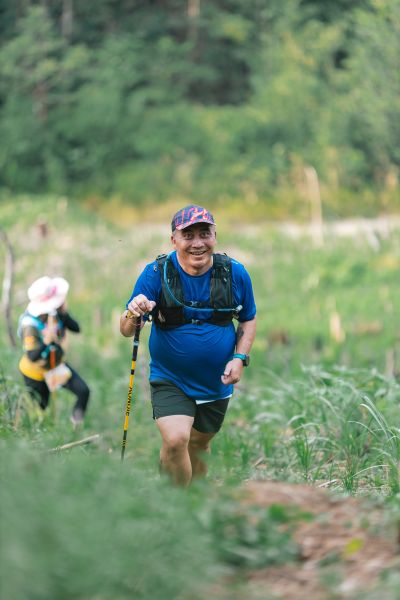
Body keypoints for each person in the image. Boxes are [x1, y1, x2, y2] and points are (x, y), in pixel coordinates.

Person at [120, 205, 256, 485]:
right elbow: (125, 330)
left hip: (216, 380)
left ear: (215, 236)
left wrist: (240, 358)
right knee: (176, 440)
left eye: (204, 233)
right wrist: (134, 312)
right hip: (170, 378)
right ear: (174, 240)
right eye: (188, 235)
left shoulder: (235, 273)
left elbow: (248, 318)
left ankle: (193, 498)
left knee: (199, 445)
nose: (197, 243)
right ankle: (176, 501)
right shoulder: (156, 273)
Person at [18, 276, 90, 426]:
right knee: (41, 412)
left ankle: (76, 428)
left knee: (83, 391)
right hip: (35, 373)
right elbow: (32, 356)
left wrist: (63, 313)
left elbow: (76, 328)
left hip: (55, 365)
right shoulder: (30, 325)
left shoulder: (55, 313)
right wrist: (47, 340)